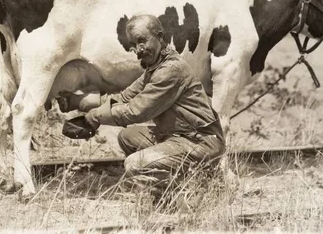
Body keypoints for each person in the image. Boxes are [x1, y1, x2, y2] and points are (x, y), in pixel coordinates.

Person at [82, 14, 225, 186]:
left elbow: (135, 111)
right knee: (127, 137)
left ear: (160, 37)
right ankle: (168, 183)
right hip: (176, 136)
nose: (138, 49)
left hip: (200, 142)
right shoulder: (155, 67)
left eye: (142, 41)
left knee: (135, 164)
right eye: (133, 45)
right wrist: (86, 106)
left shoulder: (171, 70)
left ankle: (190, 188)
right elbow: (125, 96)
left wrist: (96, 117)